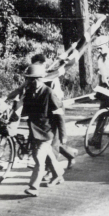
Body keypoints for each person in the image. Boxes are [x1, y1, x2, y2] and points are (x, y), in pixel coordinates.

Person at [21, 63, 65, 196]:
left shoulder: (49, 93)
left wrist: (63, 134)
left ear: (39, 79)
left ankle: (33, 187)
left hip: (46, 132)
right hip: (34, 131)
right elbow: (25, 112)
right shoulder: (29, 92)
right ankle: (58, 174)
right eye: (27, 79)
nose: (27, 81)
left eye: (30, 79)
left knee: (39, 158)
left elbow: (59, 114)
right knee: (48, 155)